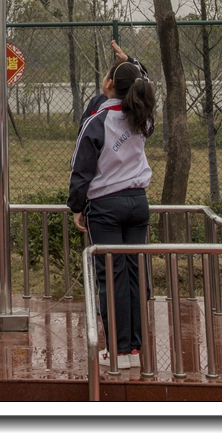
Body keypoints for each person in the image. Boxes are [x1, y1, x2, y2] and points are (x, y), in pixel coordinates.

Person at [67, 39, 156, 370]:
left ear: (107, 85)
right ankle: (134, 349)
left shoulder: (98, 119)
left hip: (105, 205)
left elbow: (82, 167)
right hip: (138, 203)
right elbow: (142, 84)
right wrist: (131, 60)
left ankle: (117, 349)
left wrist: (76, 205)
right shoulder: (143, 117)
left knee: (112, 276)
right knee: (134, 272)